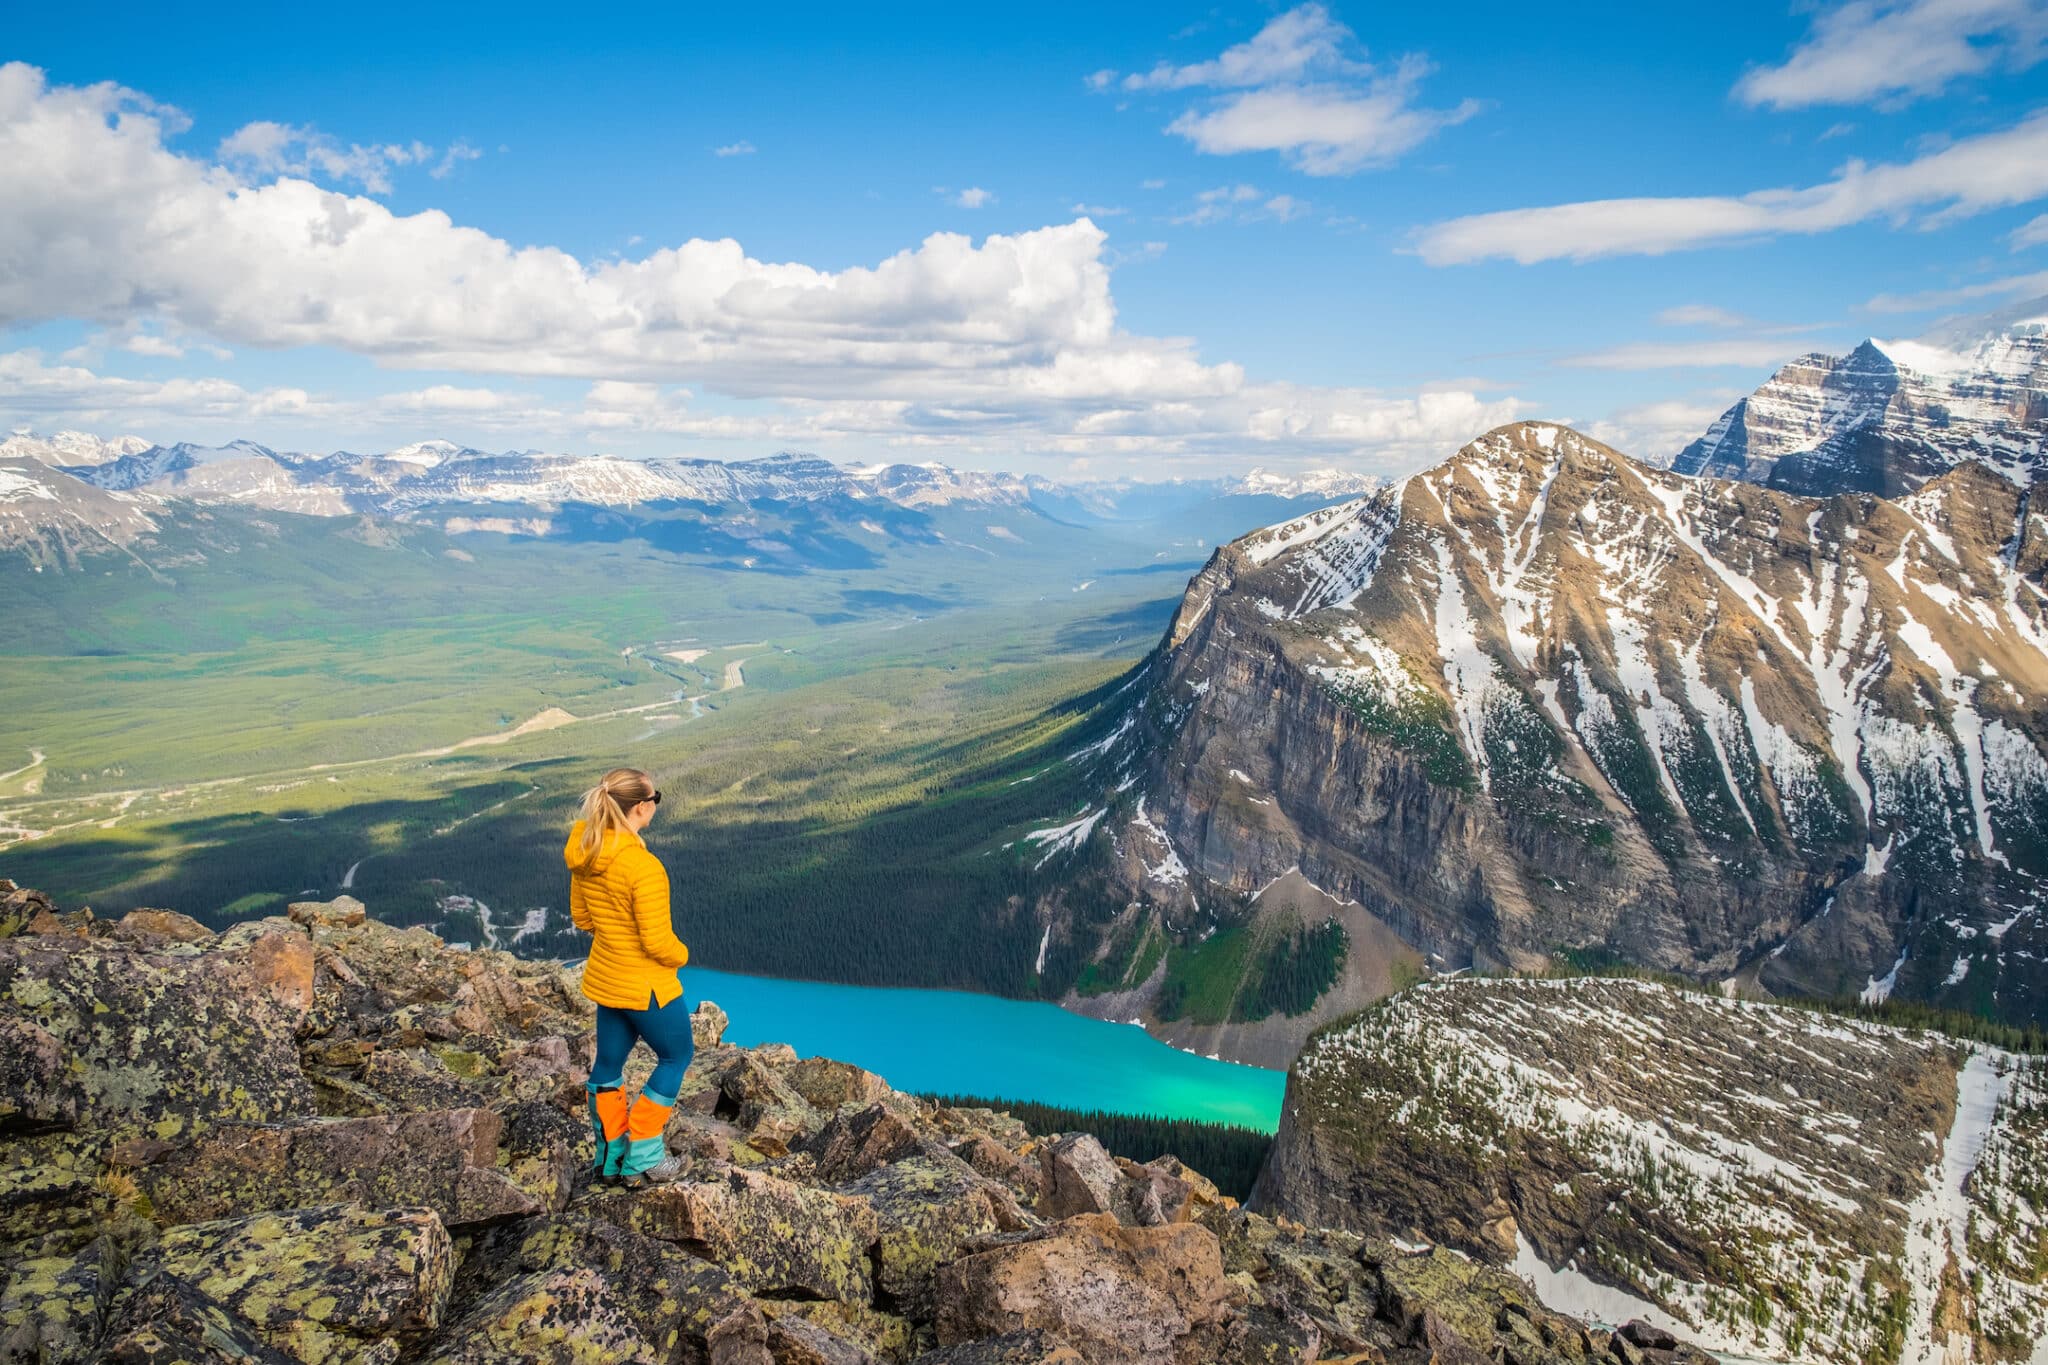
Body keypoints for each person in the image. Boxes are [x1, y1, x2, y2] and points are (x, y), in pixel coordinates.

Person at [566, 766, 692, 1186]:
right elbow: (658, 943)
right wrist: (682, 954)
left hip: (607, 978)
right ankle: (645, 1154)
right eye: (655, 800)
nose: (655, 806)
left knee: (607, 1065)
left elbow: (583, 918)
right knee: (676, 1056)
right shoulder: (643, 867)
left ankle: (609, 1156)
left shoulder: (586, 850)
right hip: (647, 986)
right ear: (640, 807)